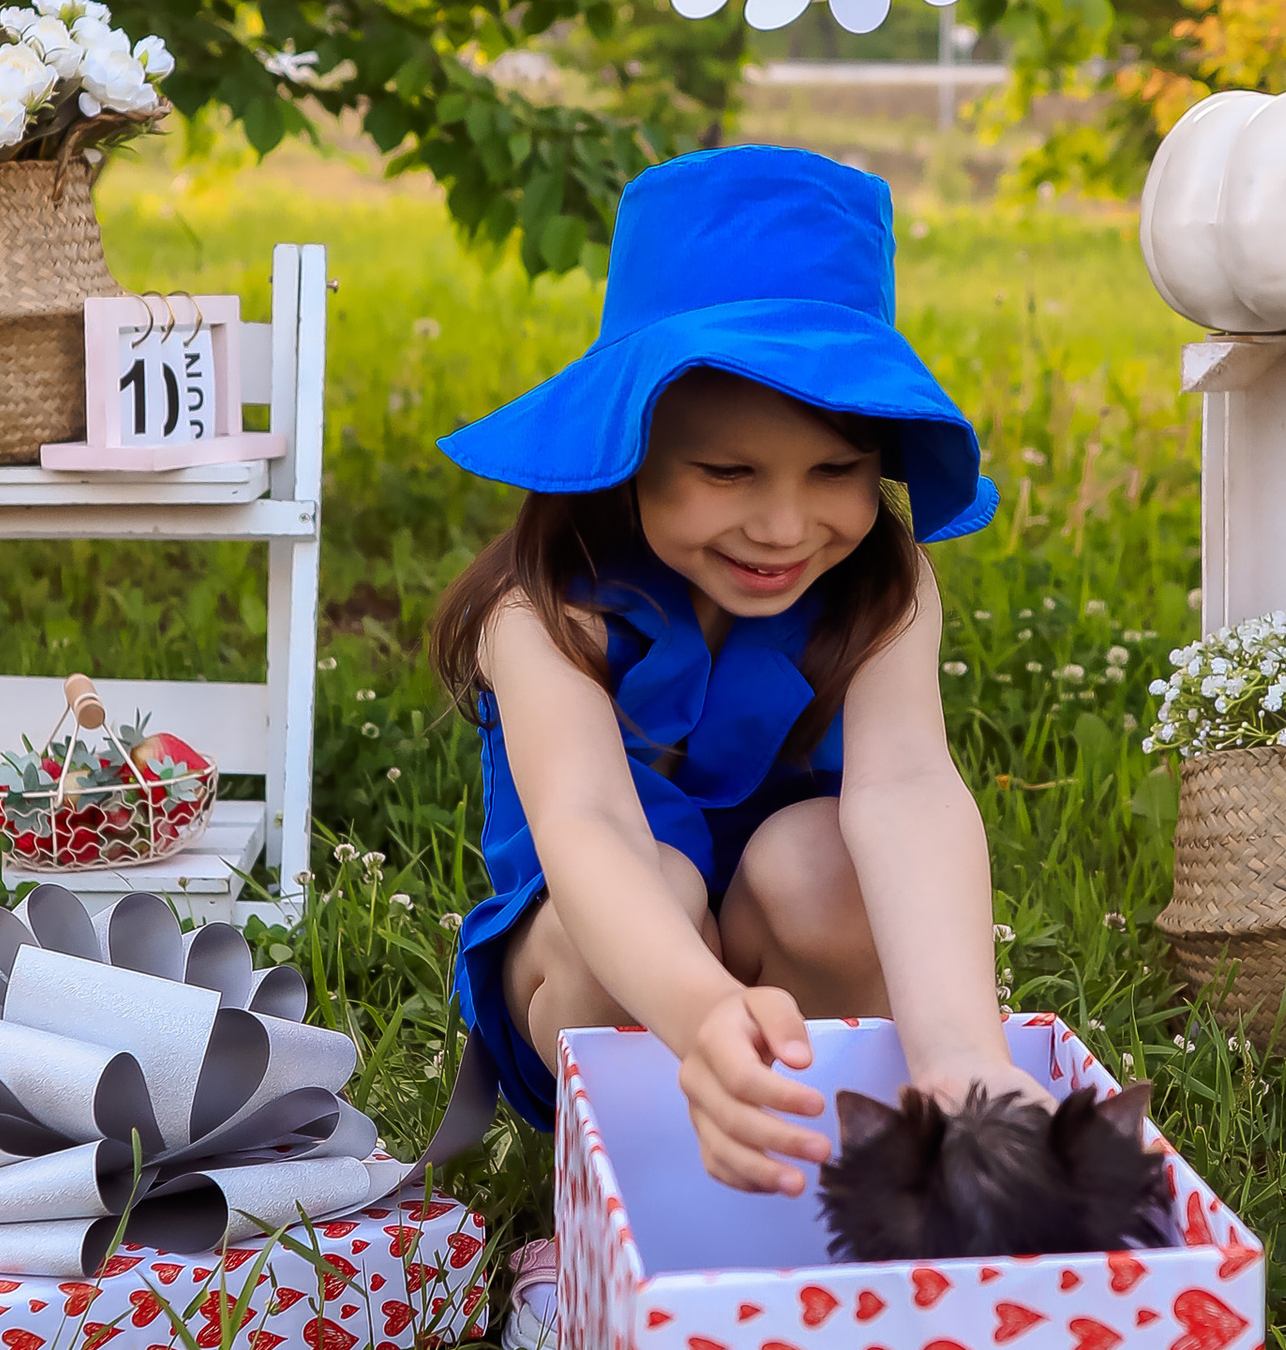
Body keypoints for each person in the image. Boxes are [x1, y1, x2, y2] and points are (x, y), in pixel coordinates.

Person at [428, 144, 1028, 1195]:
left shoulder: (885, 590)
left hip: (783, 951)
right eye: (727, 471)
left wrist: (965, 1058)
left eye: (837, 471)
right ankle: (612, 1205)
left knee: (825, 864)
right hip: (591, 966)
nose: (786, 525)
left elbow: (907, 790)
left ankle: (804, 1153)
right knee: (648, 888)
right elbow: (594, 830)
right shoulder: (540, 612)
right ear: (631, 447)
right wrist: (702, 1012)